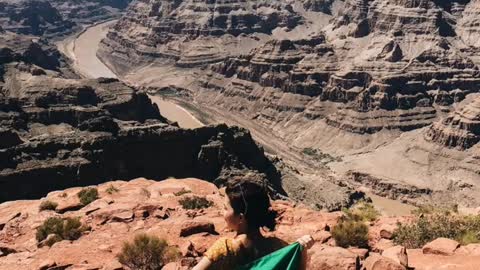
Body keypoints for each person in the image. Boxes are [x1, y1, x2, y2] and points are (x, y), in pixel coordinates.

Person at [192, 178, 314, 270]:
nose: (221, 212)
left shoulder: (226, 249)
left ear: (240, 217)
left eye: (225, 208)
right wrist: (301, 252)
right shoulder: (276, 247)